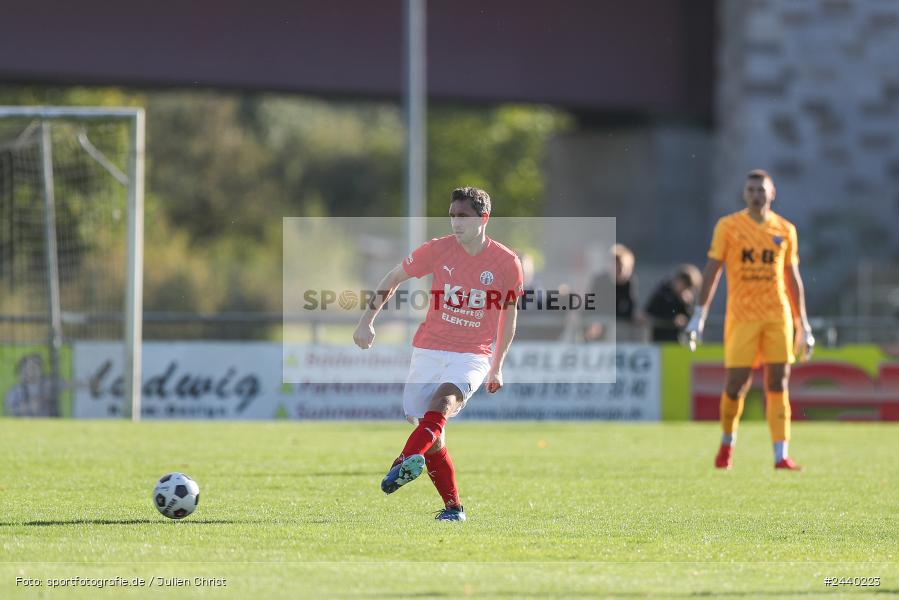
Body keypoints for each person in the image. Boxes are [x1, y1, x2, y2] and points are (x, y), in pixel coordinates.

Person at [353, 186, 523, 521]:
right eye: (452, 216)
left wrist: (497, 366)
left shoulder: (507, 263)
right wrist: (366, 320)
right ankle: (454, 508)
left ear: (483, 218)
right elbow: (393, 277)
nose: (456, 223)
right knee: (433, 436)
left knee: (443, 406)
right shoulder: (437, 250)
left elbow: (510, 315)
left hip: (472, 355)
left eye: (464, 216)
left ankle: (401, 462)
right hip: (428, 349)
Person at [685, 169, 814, 470]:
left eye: (761, 190)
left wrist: (802, 323)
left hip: (776, 316)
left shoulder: (785, 229)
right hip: (742, 316)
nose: (756, 195)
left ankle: (780, 454)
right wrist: (699, 315)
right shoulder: (729, 227)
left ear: (772, 193)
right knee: (736, 384)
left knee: (778, 381)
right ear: (745, 194)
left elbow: (792, 278)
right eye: (751, 190)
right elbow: (712, 270)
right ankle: (727, 444)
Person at [644, 264, 702, 342]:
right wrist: (672, 319)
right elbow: (650, 311)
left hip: (678, 340)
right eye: (684, 285)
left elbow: (691, 317)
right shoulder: (662, 292)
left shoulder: (687, 299)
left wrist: (686, 306)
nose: (684, 289)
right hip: (659, 338)